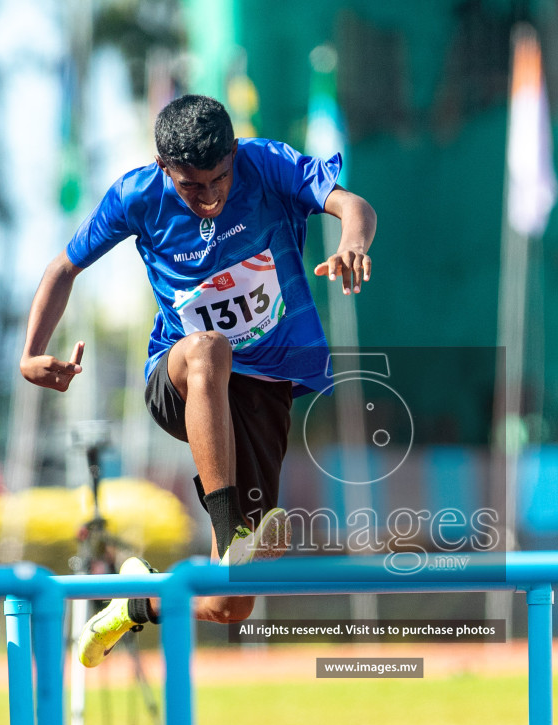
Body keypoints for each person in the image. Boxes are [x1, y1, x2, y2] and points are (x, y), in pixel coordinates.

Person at [19, 95, 378, 665]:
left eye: (219, 180)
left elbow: (352, 203)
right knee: (211, 348)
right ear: (164, 168)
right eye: (192, 187)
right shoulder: (137, 196)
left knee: (230, 603)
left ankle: (141, 603)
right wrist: (31, 353)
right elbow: (64, 266)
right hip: (181, 377)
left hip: (261, 392)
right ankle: (230, 525)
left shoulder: (267, 165)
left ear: (234, 154)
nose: (209, 198)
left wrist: (351, 243)